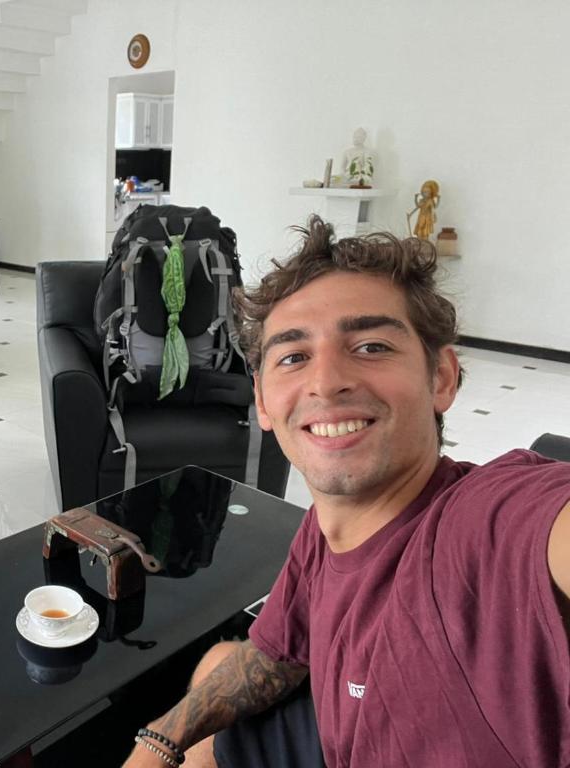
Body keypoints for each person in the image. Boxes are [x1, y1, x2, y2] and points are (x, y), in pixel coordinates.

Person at [124, 215, 570, 767]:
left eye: (371, 346)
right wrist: (159, 741)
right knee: (220, 660)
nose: (326, 381)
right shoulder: (325, 526)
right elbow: (276, 655)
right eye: (293, 356)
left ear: (441, 378)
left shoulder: (487, 524)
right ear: (263, 401)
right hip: (331, 732)